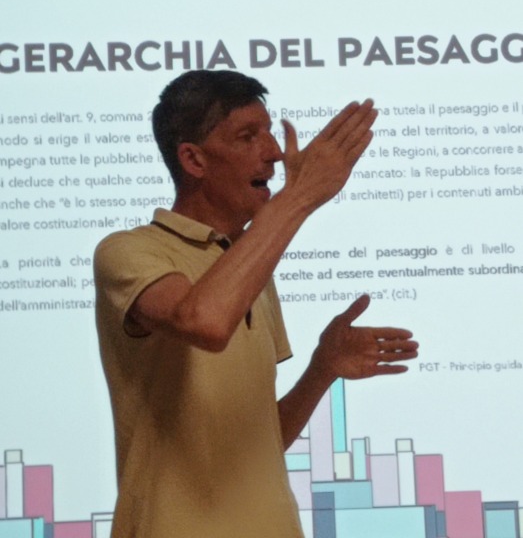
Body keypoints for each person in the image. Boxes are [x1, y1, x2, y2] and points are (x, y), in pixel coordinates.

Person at [94, 70, 418, 538]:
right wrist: (299, 197)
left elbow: (261, 441)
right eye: (248, 136)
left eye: (269, 131)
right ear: (193, 159)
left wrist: (322, 369)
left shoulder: (249, 267)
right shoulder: (128, 250)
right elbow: (203, 322)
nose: (275, 152)